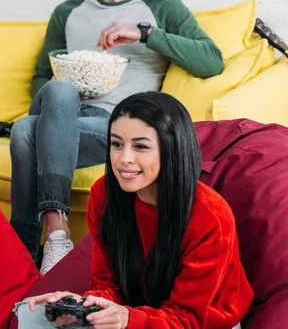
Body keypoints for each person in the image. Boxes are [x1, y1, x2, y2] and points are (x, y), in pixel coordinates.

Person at [9, 0, 224, 275]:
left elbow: (211, 60)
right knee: (60, 91)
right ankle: (56, 234)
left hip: (113, 126)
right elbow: (39, 77)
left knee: (23, 131)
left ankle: (21, 251)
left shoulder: (160, 7)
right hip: (61, 115)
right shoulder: (68, 11)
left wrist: (145, 34)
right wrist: (56, 88)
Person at [14, 91, 253, 329]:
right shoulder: (104, 195)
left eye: (140, 146)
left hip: (201, 322)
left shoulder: (210, 216)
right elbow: (107, 282)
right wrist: (86, 305)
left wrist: (128, 319)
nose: (123, 158)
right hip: (138, 310)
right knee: (36, 316)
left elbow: (188, 318)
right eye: (117, 144)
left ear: (172, 149)